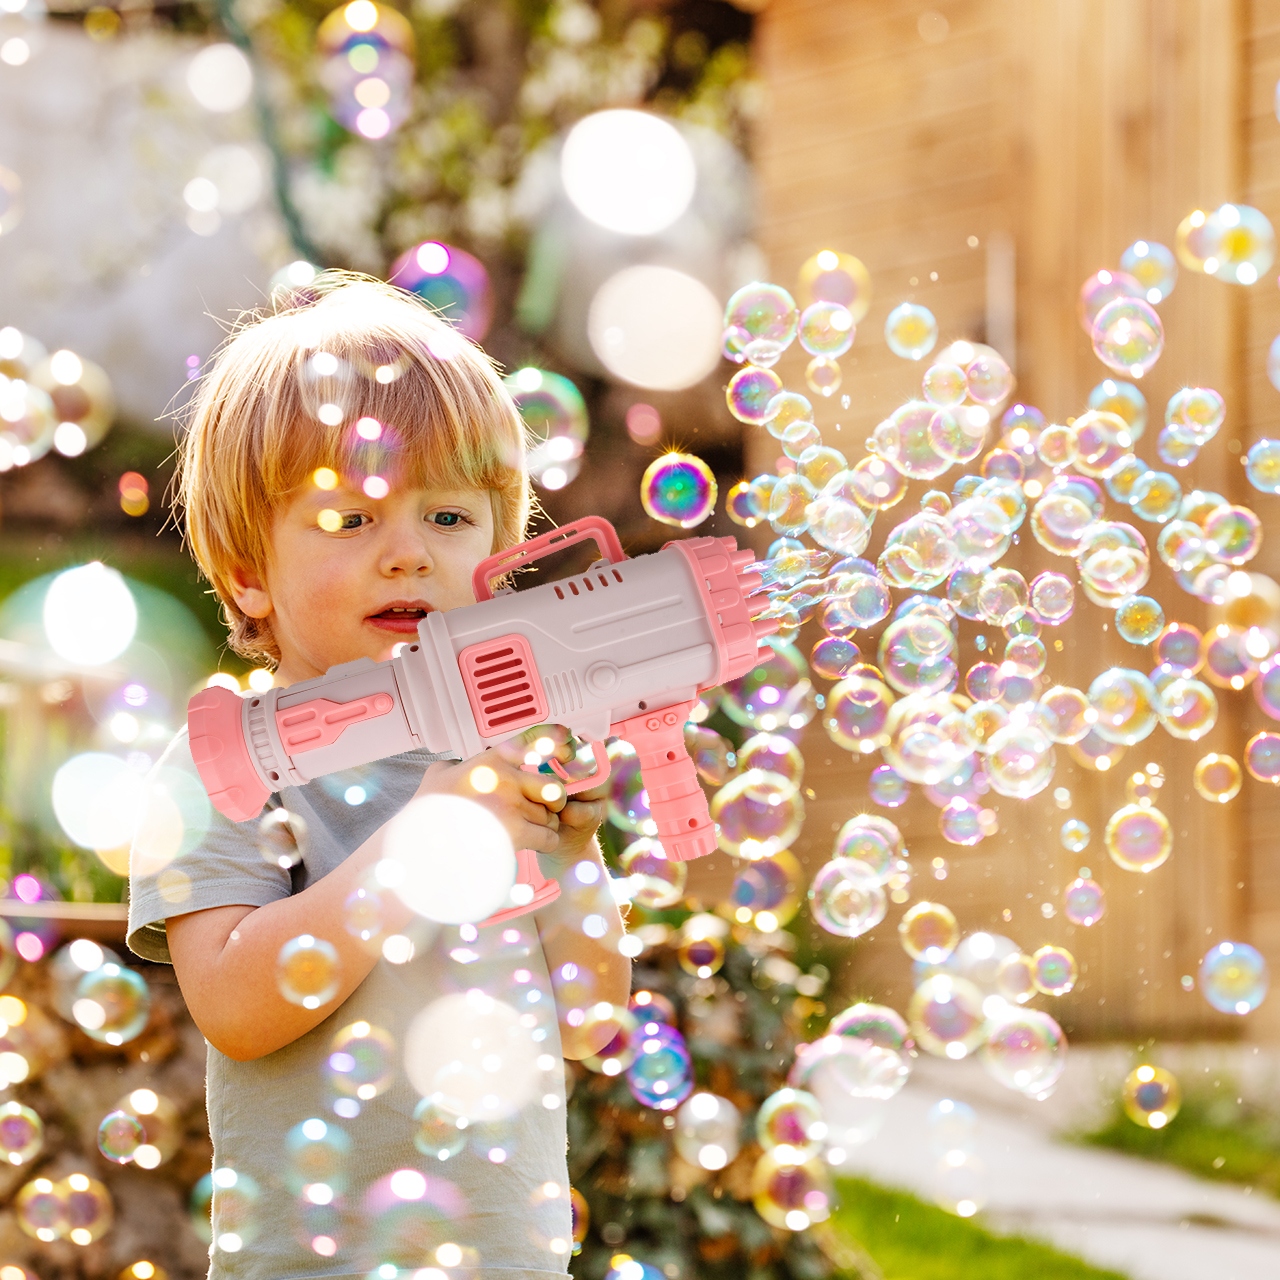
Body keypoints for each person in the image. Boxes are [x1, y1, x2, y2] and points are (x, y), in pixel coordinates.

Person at [127, 272, 630, 1280]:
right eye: (351, 520)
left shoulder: (504, 757)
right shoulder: (228, 760)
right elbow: (232, 1001)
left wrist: (571, 849)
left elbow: (595, 1021)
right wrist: (419, 847)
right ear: (245, 570)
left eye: (448, 518)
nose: (408, 555)